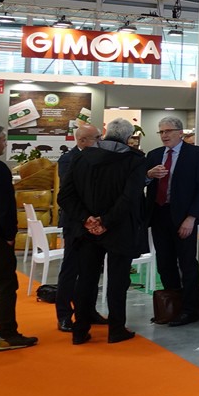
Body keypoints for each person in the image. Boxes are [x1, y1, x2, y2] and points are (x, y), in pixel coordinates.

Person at [59, 118, 148, 344]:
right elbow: (130, 198)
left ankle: (80, 330)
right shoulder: (135, 160)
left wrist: (87, 219)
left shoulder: (80, 157)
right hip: (120, 229)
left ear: (106, 134)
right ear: (128, 137)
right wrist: (106, 221)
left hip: (86, 230)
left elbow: (65, 196)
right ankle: (116, 329)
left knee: (86, 279)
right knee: (118, 280)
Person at [146, 116, 199, 327]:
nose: (164, 135)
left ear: (180, 132)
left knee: (187, 262)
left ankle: (190, 309)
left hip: (184, 217)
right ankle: (171, 306)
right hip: (159, 215)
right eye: (161, 132)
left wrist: (192, 217)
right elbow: (141, 182)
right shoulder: (154, 155)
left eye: (168, 131)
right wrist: (148, 175)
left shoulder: (196, 154)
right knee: (165, 263)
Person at [0, 122, 38, 351]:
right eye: (4, 141)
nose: (5, 145)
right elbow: (4, 207)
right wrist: (9, 235)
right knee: (4, 285)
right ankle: (6, 334)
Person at [54, 123, 109, 332]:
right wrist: (86, 218)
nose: (100, 141)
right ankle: (64, 315)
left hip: (94, 223)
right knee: (70, 269)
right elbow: (70, 194)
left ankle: (87, 311)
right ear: (82, 140)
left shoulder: (99, 158)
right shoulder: (68, 159)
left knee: (92, 271)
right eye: (97, 137)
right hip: (75, 223)